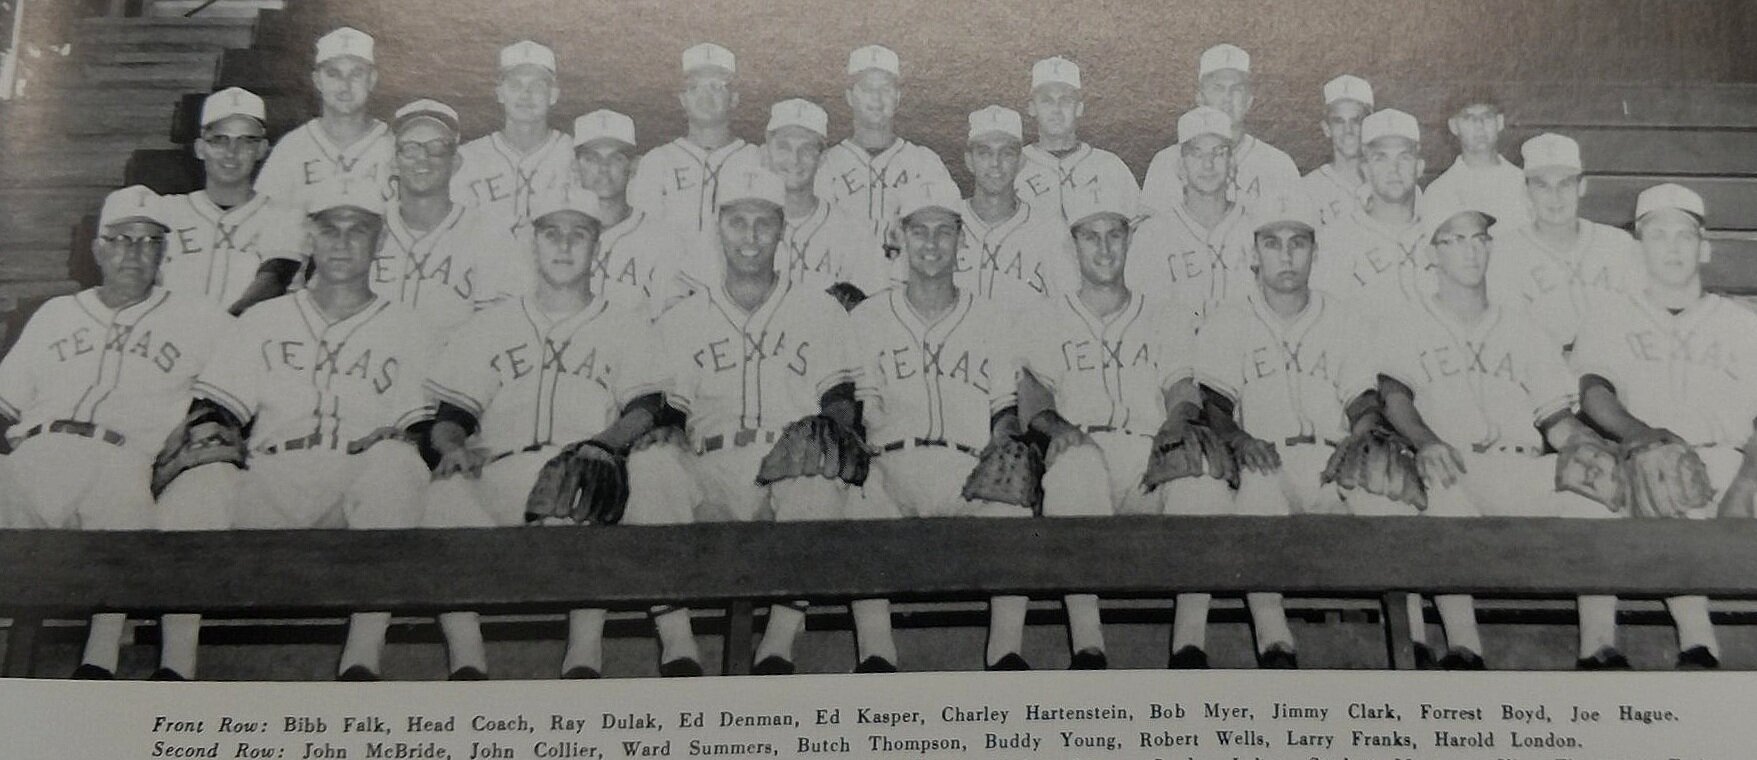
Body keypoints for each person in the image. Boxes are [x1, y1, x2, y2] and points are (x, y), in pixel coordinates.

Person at [153, 178, 437, 682]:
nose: (343, 242)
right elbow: (216, 407)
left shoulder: (412, 327)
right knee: (201, 478)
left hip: (355, 482)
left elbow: (423, 429)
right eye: (330, 229)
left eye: (359, 230)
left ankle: (361, 660)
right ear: (309, 238)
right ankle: (175, 665)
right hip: (272, 474)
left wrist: (403, 439)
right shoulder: (264, 319)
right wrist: (217, 436)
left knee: (396, 464)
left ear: (382, 241)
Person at [421, 186, 672, 680]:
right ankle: (467, 661)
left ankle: (584, 653)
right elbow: (450, 416)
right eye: (551, 233)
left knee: (580, 483)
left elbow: (645, 408)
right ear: (532, 244)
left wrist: (602, 447)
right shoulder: (489, 323)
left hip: (584, 468)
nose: (563, 245)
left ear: (597, 246)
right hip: (502, 471)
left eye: (578, 234)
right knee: (442, 496)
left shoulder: (626, 324)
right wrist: (451, 448)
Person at [632, 167, 862, 676]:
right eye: (738, 222)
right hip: (708, 467)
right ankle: (678, 644)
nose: (751, 236)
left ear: (783, 229)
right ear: (719, 227)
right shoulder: (682, 316)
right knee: (649, 467)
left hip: (786, 460)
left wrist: (830, 427)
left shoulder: (820, 310)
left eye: (764, 223)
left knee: (819, 476)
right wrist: (665, 431)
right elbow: (669, 407)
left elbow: (841, 396)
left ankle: (777, 644)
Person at [1370, 200, 1617, 670]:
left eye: (1479, 238)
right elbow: (1394, 399)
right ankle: (1465, 646)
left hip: (1522, 464)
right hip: (1456, 464)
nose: (1470, 251)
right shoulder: (1404, 321)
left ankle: (1600, 647)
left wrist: (1584, 444)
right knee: (1441, 490)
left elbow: (1554, 418)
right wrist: (1425, 441)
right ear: (1430, 253)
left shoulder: (1523, 323)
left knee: (1592, 488)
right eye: (1455, 239)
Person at [0, 186, 228, 680]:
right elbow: (4, 401)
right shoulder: (55, 314)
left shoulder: (199, 318)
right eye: (122, 239)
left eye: (149, 241)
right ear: (98, 248)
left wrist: (188, 448)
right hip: (34, 452)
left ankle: (98, 664)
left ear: (164, 252)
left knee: (125, 525)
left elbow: (234, 396)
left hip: (121, 458)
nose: (135, 252)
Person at [1172, 191, 1386, 668]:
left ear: (1315, 251)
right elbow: (1216, 403)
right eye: (1272, 243)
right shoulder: (1229, 319)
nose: (1286, 255)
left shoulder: (1345, 316)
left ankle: (1420, 643)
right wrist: (1241, 440)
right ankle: (1275, 639)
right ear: (1253, 253)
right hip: (1270, 457)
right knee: (1258, 489)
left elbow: (1364, 400)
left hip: (1337, 456)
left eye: (1298, 243)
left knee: (1392, 491)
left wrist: (1361, 436)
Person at [1016, 181, 1220, 670]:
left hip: (1151, 452)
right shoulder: (1045, 316)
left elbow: (1182, 392)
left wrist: (1176, 424)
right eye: (1092, 236)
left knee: (1200, 479)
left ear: (1130, 241)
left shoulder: (1166, 313)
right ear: (1073, 244)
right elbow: (1033, 398)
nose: (1105, 247)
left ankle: (1189, 645)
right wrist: (1058, 429)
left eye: (1115, 235)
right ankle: (1089, 645)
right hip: (1085, 448)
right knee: (1073, 467)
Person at [845, 179, 1043, 671]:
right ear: (900, 238)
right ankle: (875, 654)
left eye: (944, 231)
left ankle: (1006, 652)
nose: (931, 243)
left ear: (962, 241)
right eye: (919, 231)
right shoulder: (867, 317)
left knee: (1014, 502)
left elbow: (1003, 408)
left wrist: (1007, 442)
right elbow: (862, 408)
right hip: (891, 465)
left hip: (968, 473)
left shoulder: (993, 318)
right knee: (853, 497)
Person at [1571, 183, 1757, 670]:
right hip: (1639, 458)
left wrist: (1748, 479)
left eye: (1684, 235)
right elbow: (1593, 392)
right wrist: (1638, 435)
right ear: (1638, 248)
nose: (1672, 248)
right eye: (1657, 235)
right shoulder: (1610, 317)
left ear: (1706, 246)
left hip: (1726, 460)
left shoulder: (1742, 324)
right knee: (1638, 478)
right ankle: (1611, 645)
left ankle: (1696, 641)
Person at [156, 87, 306, 316]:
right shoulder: (166, 212)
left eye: (246, 141)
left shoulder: (285, 216)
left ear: (261, 150)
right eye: (219, 140)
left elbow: (274, 279)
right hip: (173, 343)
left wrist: (223, 327)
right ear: (200, 148)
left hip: (254, 342)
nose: (231, 152)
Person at [1488, 133, 1640, 348]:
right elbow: (1509, 340)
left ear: (1582, 186)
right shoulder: (1505, 253)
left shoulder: (1618, 245)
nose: (1555, 196)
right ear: (1525, 191)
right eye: (1542, 185)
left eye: (1565, 184)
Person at [377, 99, 502, 331]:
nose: (422, 158)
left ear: (455, 162)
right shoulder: (367, 228)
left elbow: (492, 332)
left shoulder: (486, 233)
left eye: (436, 147)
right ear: (394, 162)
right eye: (410, 147)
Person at [814, 44, 955, 238]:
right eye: (866, 89)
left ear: (897, 97)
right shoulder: (826, 165)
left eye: (886, 89)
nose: (877, 98)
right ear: (849, 97)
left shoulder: (926, 163)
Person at [1141, 43, 1298, 215]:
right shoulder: (1167, 162)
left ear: (1249, 101)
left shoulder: (1278, 164)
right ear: (1200, 98)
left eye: (1236, 89)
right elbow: (1151, 233)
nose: (1227, 99)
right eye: (1218, 88)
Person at [1129, 106, 1254, 320]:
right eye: (1196, 153)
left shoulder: (1257, 228)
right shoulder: (1152, 235)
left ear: (1232, 165)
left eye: (1219, 152)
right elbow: (1141, 318)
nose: (1208, 164)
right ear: (1180, 167)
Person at [626, 43, 762, 236]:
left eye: (716, 86)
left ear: (734, 99)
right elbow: (642, 237)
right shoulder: (656, 162)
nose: (704, 96)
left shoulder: (757, 159)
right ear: (683, 99)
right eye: (694, 87)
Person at [760, 98, 891, 297]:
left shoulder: (854, 233)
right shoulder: (745, 227)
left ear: (822, 158)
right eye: (784, 147)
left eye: (807, 149)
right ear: (767, 152)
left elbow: (877, 308)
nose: (794, 159)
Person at [254, 27, 394, 208]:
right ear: (317, 80)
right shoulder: (291, 148)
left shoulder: (393, 145)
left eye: (356, 73)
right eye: (334, 74)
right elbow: (266, 222)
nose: (345, 84)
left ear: (372, 79)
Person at [451, 41, 579, 237]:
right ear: (500, 93)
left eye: (537, 85)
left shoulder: (576, 154)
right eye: (515, 85)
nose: (525, 95)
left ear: (553, 95)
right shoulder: (468, 157)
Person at [570, 109, 691, 314]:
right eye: (592, 158)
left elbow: (674, 321)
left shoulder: (663, 240)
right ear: (575, 167)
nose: (603, 168)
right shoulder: (556, 234)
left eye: (616, 158)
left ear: (634, 166)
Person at [954, 105, 1075, 308]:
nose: (996, 163)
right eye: (984, 153)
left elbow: (1070, 311)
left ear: (1021, 161)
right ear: (969, 160)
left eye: (1007, 153)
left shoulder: (1050, 230)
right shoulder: (944, 224)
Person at [1311, 108, 1429, 307]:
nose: (1394, 169)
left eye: (1404, 157)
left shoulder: (1440, 232)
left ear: (1419, 167)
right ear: (1365, 170)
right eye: (1381, 158)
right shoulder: (1335, 240)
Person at [1013, 56, 1139, 224]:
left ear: (1079, 108)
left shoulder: (1110, 166)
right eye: (1047, 101)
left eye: (1065, 101)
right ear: (1032, 108)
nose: (1056, 110)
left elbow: (1139, 230)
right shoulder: (1012, 167)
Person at [1419, 91, 1530, 228]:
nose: (1479, 126)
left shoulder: (1525, 183)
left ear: (1500, 122)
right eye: (1468, 118)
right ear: (1454, 126)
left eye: (1487, 117)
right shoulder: (1439, 192)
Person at [1299, 75, 1373, 228]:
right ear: (1326, 128)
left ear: (1370, 125)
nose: (1348, 131)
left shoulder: (1391, 184)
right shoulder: (1306, 189)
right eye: (1339, 121)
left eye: (1356, 121)